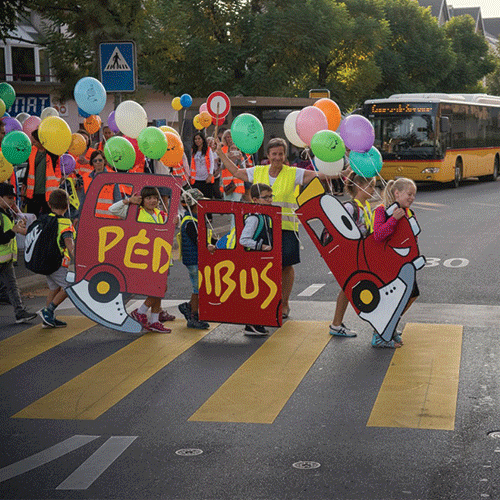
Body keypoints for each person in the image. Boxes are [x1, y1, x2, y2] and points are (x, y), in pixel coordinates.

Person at [217, 136, 342, 320]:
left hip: (287, 227)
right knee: (263, 266)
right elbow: (236, 172)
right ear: (268, 155)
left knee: (286, 266)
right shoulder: (258, 171)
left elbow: (320, 175)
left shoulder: (293, 173)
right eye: (274, 154)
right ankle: (264, 301)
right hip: (262, 228)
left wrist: (343, 171)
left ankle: (284, 304)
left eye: (281, 154)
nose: (277, 157)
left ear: (284, 156)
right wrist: (221, 154)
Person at [109, 187, 175, 333]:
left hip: (162, 257)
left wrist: (176, 221)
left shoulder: (161, 214)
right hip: (145, 258)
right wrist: (128, 201)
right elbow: (112, 209)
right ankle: (140, 312)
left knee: (158, 288)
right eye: (148, 198)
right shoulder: (135, 212)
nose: (152, 201)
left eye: (155, 198)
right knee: (159, 288)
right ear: (142, 200)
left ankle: (154, 321)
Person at [372, 177, 419, 348]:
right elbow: (378, 235)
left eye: (413, 195)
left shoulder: (409, 212)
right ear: (397, 193)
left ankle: (388, 327)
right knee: (392, 299)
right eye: (409, 194)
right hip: (388, 264)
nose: (412, 198)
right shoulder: (382, 210)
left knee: (411, 295)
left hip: (406, 264)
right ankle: (380, 333)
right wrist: (393, 219)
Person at [329, 172, 376, 338]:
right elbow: (340, 231)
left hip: (362, 254)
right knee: (349, 288)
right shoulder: (350, 207)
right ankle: (336, 324)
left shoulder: (366, 207)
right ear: (359, 187)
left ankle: (337, 324)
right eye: (370, 186)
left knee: (351, 288)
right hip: (351, 255)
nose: (373, 189)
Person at [177, 188, 215, 330]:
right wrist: (209, 246)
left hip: (194, 258)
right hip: (194, 260)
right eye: (200, 202)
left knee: (199, 287)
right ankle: (193, 315)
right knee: (198, 288)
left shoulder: (194, 218)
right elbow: (198, 241)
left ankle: (189, 307)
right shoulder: (190, 222)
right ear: (193, 203)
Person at [239, 183, 274, 336]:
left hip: (264, 261)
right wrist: (261, 246)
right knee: (255, 291)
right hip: (254, 260)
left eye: (271, 196)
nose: (269, 200)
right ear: (254, 199)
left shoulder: (266, 215)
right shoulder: (254, 218)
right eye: (265, 197)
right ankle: (251, 324)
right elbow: (244, 239)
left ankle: (258, 319)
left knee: (263, 290)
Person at [0, 183, 37, 324]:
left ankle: (20, 312)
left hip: (6, 259)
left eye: (13, 198)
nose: (12, 202)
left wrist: (18, 227)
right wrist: (14, 230)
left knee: (12, 287)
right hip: (3, 258)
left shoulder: (7, 213)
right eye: (9, 198)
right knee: (11, 287)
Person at [38, 189, 76, 328]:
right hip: (57, 263)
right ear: (67, 206)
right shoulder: (65, 223)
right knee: (69, 287)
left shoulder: (45, 219)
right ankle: (48, 311)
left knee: (54, 288)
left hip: (45, 261)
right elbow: (69, 244)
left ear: (49, 204)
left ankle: (48, 319)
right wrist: (78, 258)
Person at [22, 129, 61, 216]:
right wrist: (24, 184)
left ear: (41, 141)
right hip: (33, 193)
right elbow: (29, 169)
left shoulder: (52, 153)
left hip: (47, 193)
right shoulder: (32, 151)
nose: (33, 143)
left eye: (35, 141)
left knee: (48, 217)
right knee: (31, 216)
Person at [190, 133, 215, 199]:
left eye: (199, 139)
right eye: (195, 139)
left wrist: (210, 175)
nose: (197, 140)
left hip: (206, 178)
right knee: (197, 199)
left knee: (207, 198)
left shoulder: (208, 150)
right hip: (196, 179)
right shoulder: (193, 151)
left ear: (203, 140)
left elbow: (212, 162)